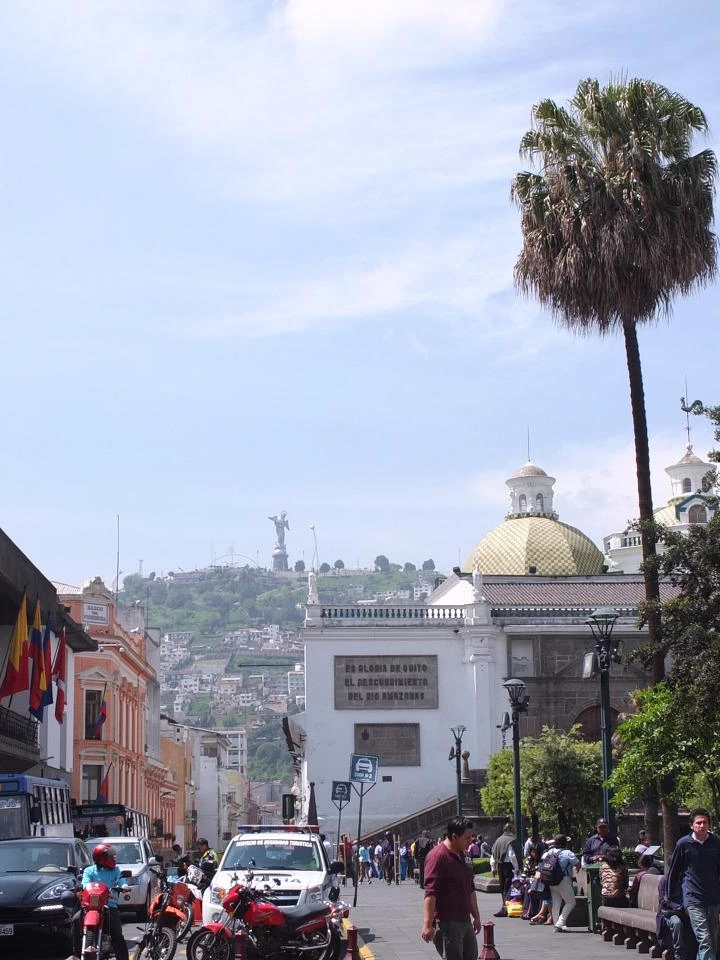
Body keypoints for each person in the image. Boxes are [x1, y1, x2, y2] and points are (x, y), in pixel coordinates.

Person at [421, 816, 482, 960]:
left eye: (471, 837)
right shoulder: (438, 856)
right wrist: (427, 924)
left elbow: (470, 888)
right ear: (454, 837)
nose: (470, 841)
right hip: (447, 923)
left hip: (465, 920)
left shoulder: (464, 855)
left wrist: (476, 916)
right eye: (467, 838)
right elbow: (430, 893)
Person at [666, 807, 720, 960]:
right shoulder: (683, 844)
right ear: (692, 825)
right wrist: (669, 896)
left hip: (713, 898)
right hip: (693, 898)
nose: (702, 825)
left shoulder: (716, 843)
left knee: (713, 941)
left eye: (705, 822)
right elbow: (674, 871)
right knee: (704, 939)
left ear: (709, 824)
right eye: (698, 823)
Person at [73, 843, 130, 960]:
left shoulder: (115, 870)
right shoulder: (89, 870)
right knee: (75, 920)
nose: (113, 858)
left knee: (117, 933)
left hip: (109, 906)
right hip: (91, 906)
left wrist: (124, 886)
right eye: (110, 856)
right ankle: (77, 953)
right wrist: (82, 887)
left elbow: (121, 880)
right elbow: (85, 883)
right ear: (101, 858)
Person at [546, 833, 580, 932]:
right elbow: (577, 864)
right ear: (565, 843)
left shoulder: (550, 852)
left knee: (556, 903)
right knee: (571, 902)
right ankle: (560, 923)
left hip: (551, 880)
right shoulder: (568, 853)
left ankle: (556, 925)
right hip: (563, 879)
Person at [490, 822, 518, 917]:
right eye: (512, 829)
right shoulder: (511, 840)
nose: (514, 830)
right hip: (509, 866)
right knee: (508, 887)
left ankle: (504, 906)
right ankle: (506, 908)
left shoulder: (498, 840)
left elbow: (493, 855)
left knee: (503, 888)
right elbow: (512, 855)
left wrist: (493, 868)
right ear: (510, 829)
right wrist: (517, 868)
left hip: (500, 866)